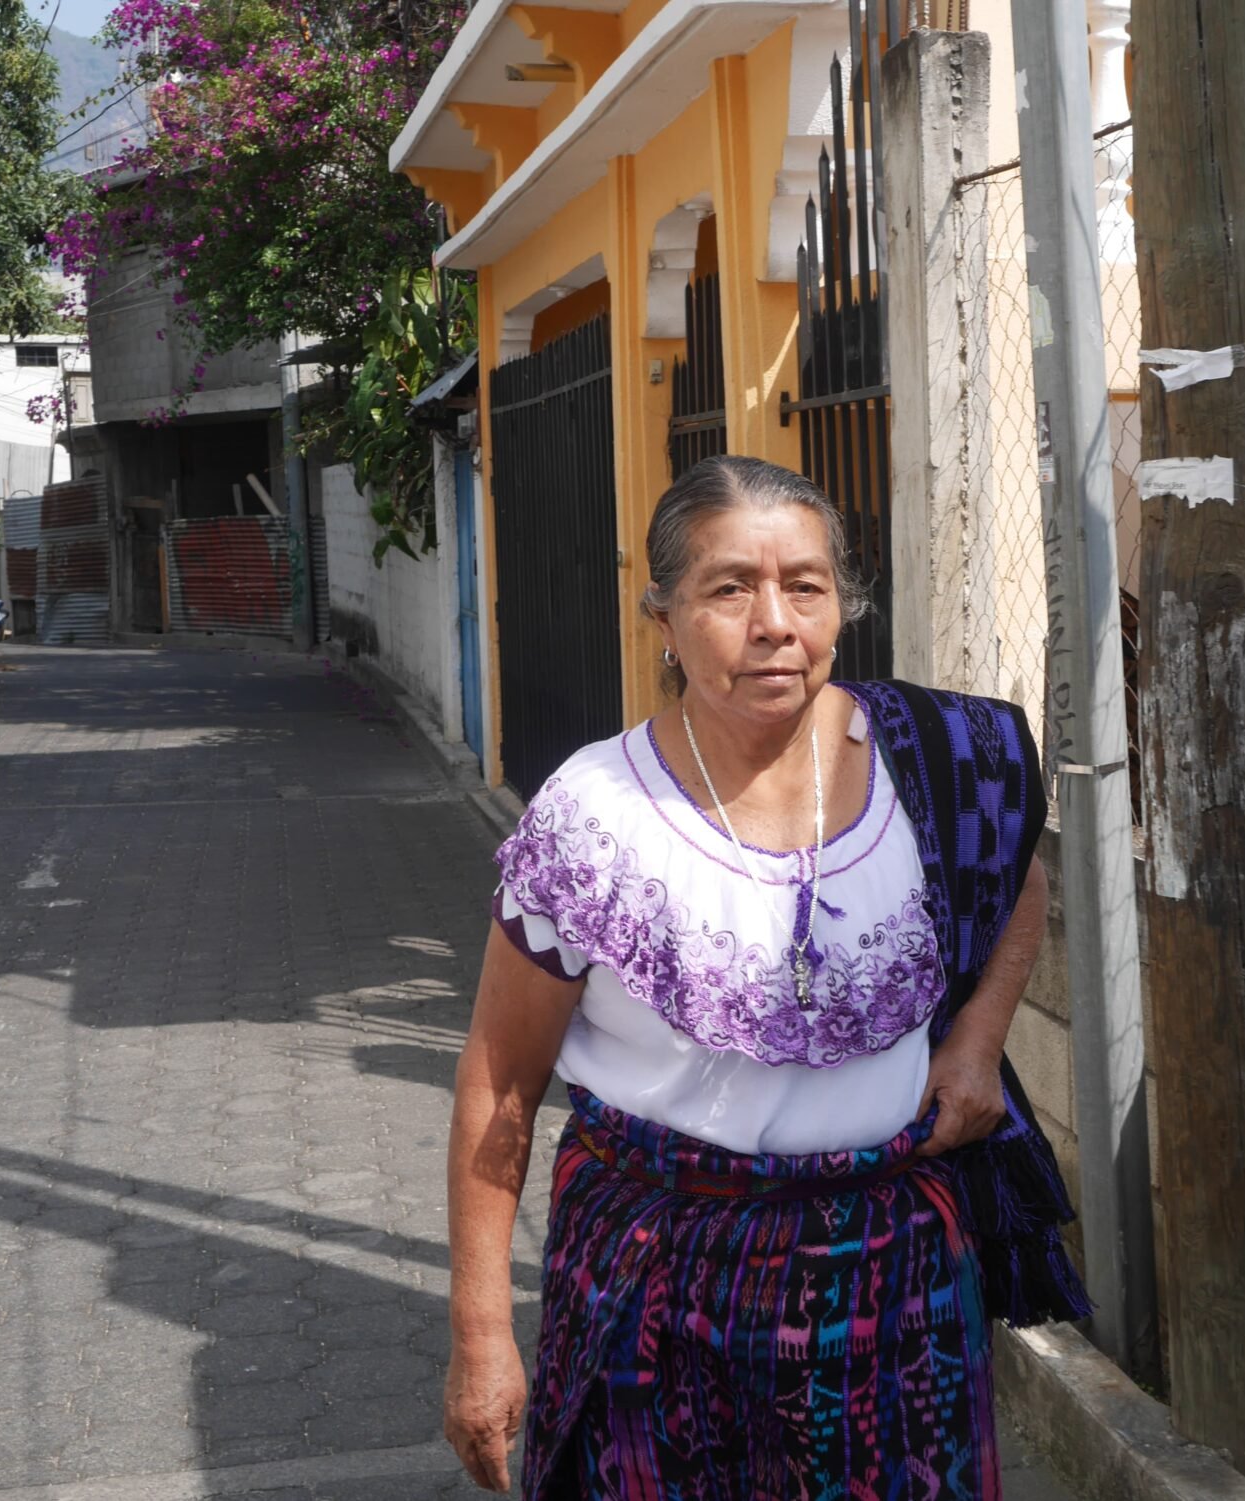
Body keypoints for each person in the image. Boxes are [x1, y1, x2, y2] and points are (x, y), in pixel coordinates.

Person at [442, 456, 1087, 1499]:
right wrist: (481, 1334)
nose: (773, 622)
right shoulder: (594, 816)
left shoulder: (936, 759)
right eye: (728, 587)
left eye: (805, 586)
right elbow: (500, 1081)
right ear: (663, 615)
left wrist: (973, 1046)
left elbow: (1020, 877)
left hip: (891, 1268)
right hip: (655, 1274)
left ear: (842, 605)